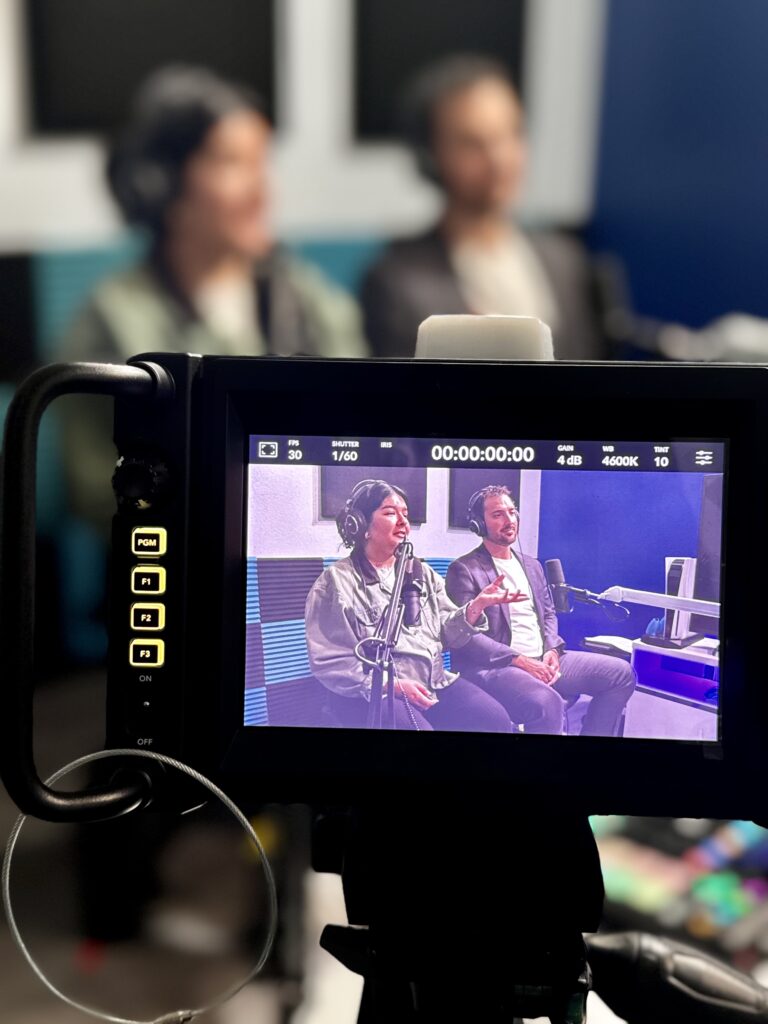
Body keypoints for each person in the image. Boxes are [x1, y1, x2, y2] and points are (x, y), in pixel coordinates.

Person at [60, 65, 367, 529]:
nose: (260, 190)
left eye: (261, 163)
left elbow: (361, 436)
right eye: (232, 163)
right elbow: (96, 491)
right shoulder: (110, 320)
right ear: (162, 182)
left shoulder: (310, 301)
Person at [361, 55, 605, 360]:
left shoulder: (564, 261)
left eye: (510, 134)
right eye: (472, 143)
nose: (499, 159)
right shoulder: (397, 279)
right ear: (431, 155)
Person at [305, 479, 520, 732]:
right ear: (361, 524)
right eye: (390, 513)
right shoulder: (336, 582)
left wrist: (476, 607)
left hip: (433, 682)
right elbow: (330, 660)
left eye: (405, 514)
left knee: (494, 719)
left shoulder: (421, 572)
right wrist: (389, 684)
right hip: (373, 690)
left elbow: (448, 635)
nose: (403, 522)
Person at [445, 485, 636, 735]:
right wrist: (521, 661)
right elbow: (466, 638)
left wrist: (552, 651)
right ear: (479, 524)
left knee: (620, 674)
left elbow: (548, 614)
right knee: (547, 701)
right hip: (498, 666)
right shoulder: (464, 569)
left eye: (512, 512)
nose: (509, 520)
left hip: (542, 658)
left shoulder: (532, 565)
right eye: (498, 515)